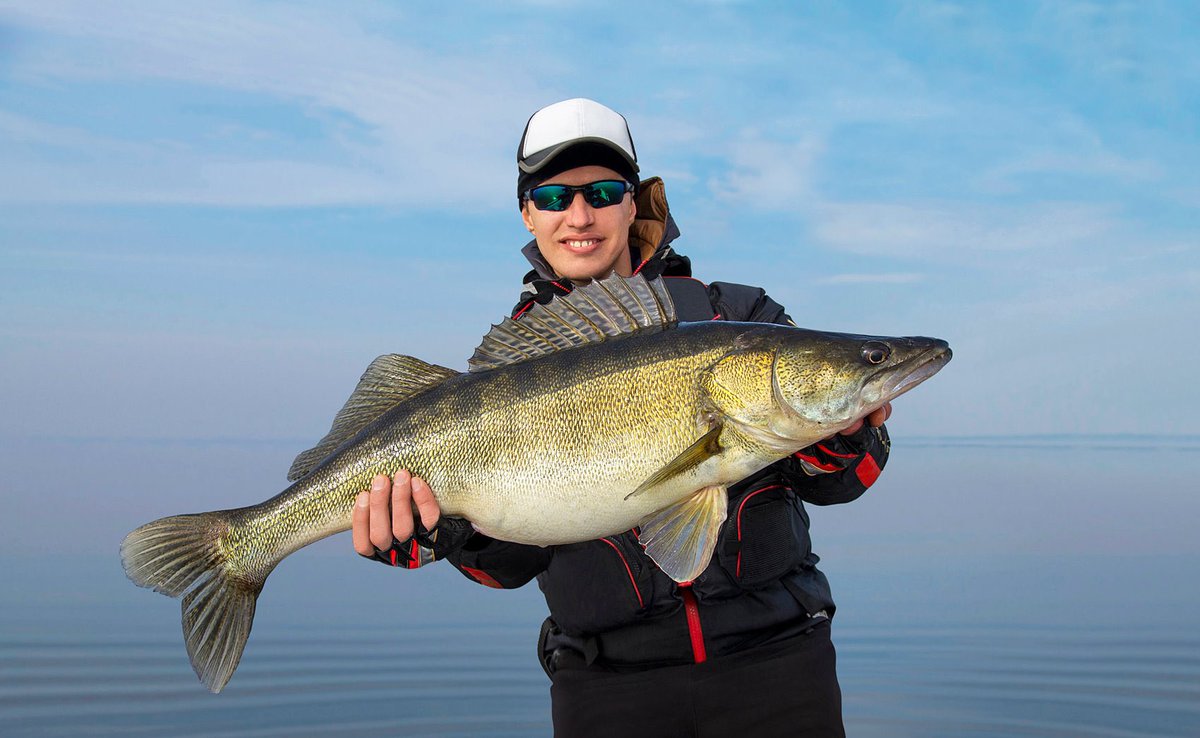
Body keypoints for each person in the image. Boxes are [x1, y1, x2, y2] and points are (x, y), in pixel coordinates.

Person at [351, 98, 891, 738]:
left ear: (635, 203)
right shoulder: (507, 372)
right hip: (606, 691)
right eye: (554, 197)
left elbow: (842, 482)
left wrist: (848, 434)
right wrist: (440, 535)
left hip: (780, 668)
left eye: (603, 193)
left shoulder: (744, 318)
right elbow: (505, 567)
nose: (580, 216)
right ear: (527, 213)